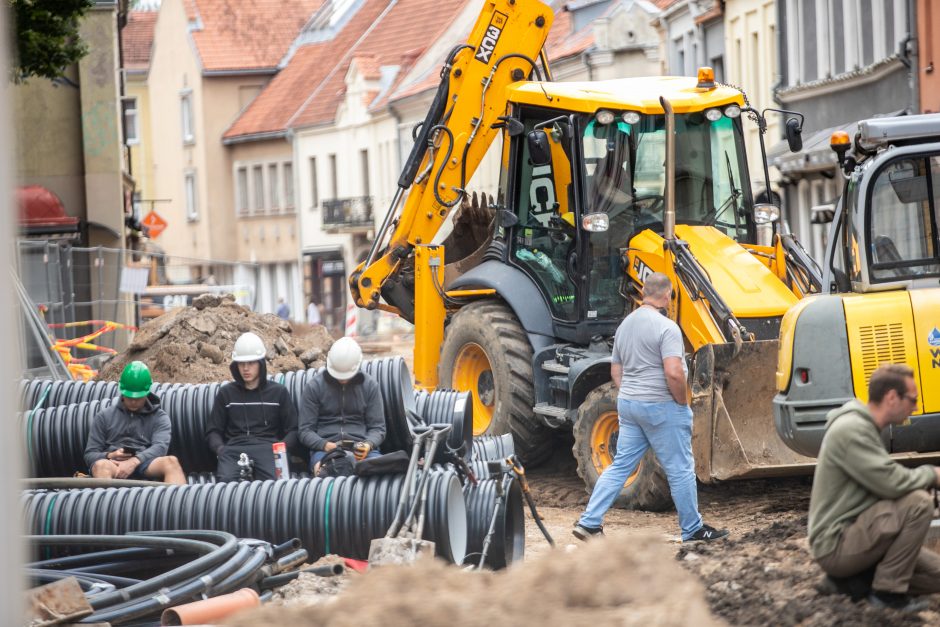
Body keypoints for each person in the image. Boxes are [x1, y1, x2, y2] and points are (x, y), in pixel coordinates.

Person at [573, 272, 728, 543]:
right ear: (667, 295)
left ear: (645, 293)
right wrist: (682, 402)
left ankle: (589, 522)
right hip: (661, 406)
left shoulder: (625, 326)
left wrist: (632, 394)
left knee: (621, 465)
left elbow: (616, 370)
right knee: (680, 468)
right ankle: (692, 529)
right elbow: (674, 373)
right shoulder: (667, 328)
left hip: (629, 405)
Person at [808, 363, 940, 613]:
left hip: (862, 537)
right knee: (919, 503)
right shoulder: (851, 430)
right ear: (892, 397)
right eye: (913, 400)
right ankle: (887, 594)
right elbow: (892, 482)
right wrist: (931, 473)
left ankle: (854, 583)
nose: (915, 407)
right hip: (837, 544)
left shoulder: (865, 428)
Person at [206, 332, 299, 481]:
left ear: (260, 364)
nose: (245, 368)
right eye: (241, 364)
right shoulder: (226, 394)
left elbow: (293, 429)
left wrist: (282, 449)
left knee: (277, 488)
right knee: (225, 488)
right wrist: (221, 449)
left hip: (268, 449)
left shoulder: (278, 393)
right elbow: (213, 431)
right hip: (234, 450)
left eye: (251, 363)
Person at [84, 361, 185, 484]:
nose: (133, 402)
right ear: (122, 391)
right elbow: (90, 454)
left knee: (171, 462)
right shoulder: (104, 417)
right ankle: (108, 502)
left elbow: (160, 447)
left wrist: (135, 461)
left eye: (138, 398)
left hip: (145, 462)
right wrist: (110, 455)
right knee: (101, 466)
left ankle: (177, 502)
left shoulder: (160, 418)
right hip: (112, 464)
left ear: (147, 392)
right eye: (129, 397)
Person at [299, 336, 385, 474]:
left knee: (378, 475)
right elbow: (305, 431)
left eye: (346, 376)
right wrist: (324, 445)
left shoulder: (370, 386)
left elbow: (378, 428)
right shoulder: (314, 387)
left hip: (362, 450)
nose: (342, 380)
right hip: (325, 450)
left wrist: (368, 445)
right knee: (325, 472)